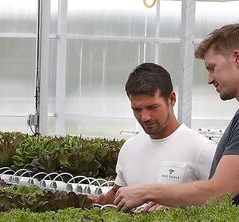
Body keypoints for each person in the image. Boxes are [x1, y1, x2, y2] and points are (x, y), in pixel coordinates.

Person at [114, 23, 239, 216]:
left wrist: (146, 192)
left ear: (237, 58)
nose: (209, 79)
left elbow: (218, 192)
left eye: (212, 68)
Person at [89, 63, 215, 211]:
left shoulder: (201, 149)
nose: (144, 117)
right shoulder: (129, 148)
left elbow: (225, 201)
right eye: (137, 109)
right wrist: (102, 200)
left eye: (152, 107)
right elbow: (118, 192)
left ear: (172, 99)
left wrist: (177, 209)